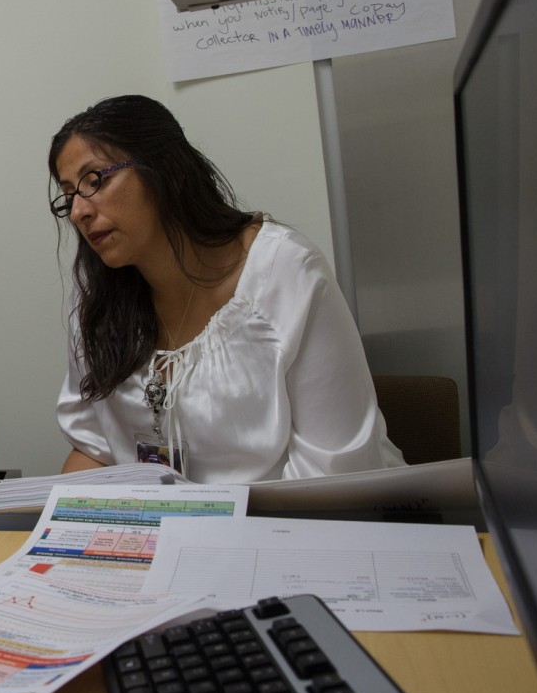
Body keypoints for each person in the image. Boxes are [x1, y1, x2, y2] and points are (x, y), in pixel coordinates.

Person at [48, 95, 405, 482]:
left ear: (168, 170)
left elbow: (334, 476)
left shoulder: (286, 273)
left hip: (295, 525)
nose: (80, 212)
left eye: (95, 180)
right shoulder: (98, 296)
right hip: (166, 532)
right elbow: (94, 450)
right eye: (68, 196)